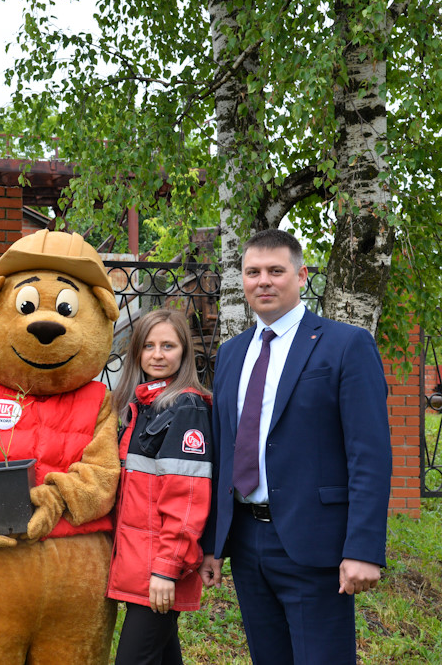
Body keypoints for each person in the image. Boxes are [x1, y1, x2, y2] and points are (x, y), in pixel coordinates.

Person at [199, 229, 391, 664]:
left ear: (301, 275)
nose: (263, 281)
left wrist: (362, 549)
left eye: (275, 271)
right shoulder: (231, 353)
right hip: (247, 542)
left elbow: (370, 455)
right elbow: (224, 450)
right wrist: (213, 541)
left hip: (314, 544)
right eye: (252, 272)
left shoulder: (346, 344)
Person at [105, 308, 213, 665]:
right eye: (149, 346)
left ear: (184, 352)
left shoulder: (186, 408)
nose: (157, 354)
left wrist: (165, 571)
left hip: (160, 569)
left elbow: (187, 502)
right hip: (138, 564)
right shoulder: (138, 405)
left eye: (168, 345)